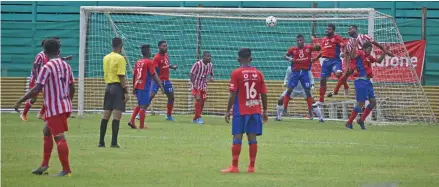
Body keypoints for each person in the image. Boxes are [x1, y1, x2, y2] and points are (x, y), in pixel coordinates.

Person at [14, 38, 74, 176]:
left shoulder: (46, 67)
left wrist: (20, 100)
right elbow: (72, 87)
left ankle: (66, 170)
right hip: (64, 106)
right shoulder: (66, 66)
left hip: (54, 108)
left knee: (59, 137)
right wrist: (67, 102)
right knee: (46, 130)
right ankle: (44, 165)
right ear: (59, 51)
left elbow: (36, 89)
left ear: (45, 52)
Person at [221, 48, 268, 173]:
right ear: (250, 58)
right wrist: (265, 111)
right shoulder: (259, 73)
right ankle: (251, 167)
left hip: (241, 110)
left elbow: (232, 94)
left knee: (237, 136)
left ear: (238, 59)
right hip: (255, 109)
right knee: (252, 138)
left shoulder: (236, 73)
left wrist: (227, 111)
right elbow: (263, 94)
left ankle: (234, 166)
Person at [327, 25, 394, 98]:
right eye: (348, 30)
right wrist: (347, 65)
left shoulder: (365, 37)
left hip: (365, 61)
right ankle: (336, 91)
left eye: (350, 29)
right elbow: (349, 55)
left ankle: (364, 98)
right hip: (356, 61)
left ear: (355, 29)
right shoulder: (350, 42)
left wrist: (386, 51)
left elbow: (376, 44)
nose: (348, 31)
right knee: (347, 74)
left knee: (366, 77)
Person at [21, 37, 73, 121]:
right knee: (34, 98)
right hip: (37, 79)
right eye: (58, 42)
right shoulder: (40, 55)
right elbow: (34, 68)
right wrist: (38, 78)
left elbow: (57, 61)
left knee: (49, 96)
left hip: (46, 79)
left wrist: (65, 58)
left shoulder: (55, 54)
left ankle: (42, 114)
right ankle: (24, 114)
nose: (59, 44)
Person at [280, 34, 323, 122]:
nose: (299, 42)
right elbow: (285, 56)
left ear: (303, 41)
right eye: (298, 40)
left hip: (305, 72)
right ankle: (285, 108)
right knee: (289, 89)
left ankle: (310, 111)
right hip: (295, 72)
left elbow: (319, 49)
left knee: (307, 91)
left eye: (301, 40)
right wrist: (289, 59)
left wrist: (315, 41)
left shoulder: (308, 48)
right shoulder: (292, 49)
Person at [346, 41, 388, 129]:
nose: (370, 51)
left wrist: (385, 51)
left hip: (368, 82)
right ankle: (349, 122)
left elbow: (379, 61)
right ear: (364, 49)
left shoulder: (369, 57)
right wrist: (355, 46)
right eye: (369, 50)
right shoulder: (359, 52)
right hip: (360, 81)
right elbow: (353, 56)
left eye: (371, 50)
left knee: (373, 102)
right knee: (361, 102)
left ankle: (361, 120)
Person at [99, 37, 129, 148]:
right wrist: (126, 91)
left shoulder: (106, 58)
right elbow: (121, 76)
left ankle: (101, 141)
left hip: (108, 87)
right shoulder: (120, 58)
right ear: (120, 46)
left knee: (106, 115)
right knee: (116, 116)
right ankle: (114, 142)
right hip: (117, 88)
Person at [128, 45, 165, 129]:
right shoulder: (149, 62)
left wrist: (134, 86)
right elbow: (154, 75)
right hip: (144, 86)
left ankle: (131, 121)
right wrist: (161, 86)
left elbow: (134, 75)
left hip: (137, 85)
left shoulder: (138, 62)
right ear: (148, 52)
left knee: (140, 104)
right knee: (144, 106)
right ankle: (141, 126)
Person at [313, 24, 346, 107]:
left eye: (329, 29)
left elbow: (343, 45)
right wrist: (315, 58)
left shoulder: (337, 37)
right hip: (326, 62)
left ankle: (346, 86)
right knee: (322, 80)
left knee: (338, 74)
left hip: (335, 60)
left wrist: (343, 53)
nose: (327, 30)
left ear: (333, 30)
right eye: (326, 29)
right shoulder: (324, 39)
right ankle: (321, 100)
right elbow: (322, 51)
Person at [149, 40, 178, 121]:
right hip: (157, 80)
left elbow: (165, 66)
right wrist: (160, 85)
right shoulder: (156, 58)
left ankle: (168, 115)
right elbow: (155, 71)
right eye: (163, 46)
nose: (166, 47)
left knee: (171, 97)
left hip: (166, 80)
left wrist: (172, 67)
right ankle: (139, 113)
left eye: (166, 46)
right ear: (159, 47)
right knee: (150, 96)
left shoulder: (166, 55)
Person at [189, 51, 214, 124]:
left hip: (204, 86)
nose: (209, 58)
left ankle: (196, 117)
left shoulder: (210, 65)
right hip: (196, 85)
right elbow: (191, 74)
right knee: (198, 99)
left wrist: (211, 78)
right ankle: (198, 118)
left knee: (202, 101)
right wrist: (194, 84)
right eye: (207, 56)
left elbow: (212, 74)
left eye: (210, 56)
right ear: (203, 57)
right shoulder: (197, 64)